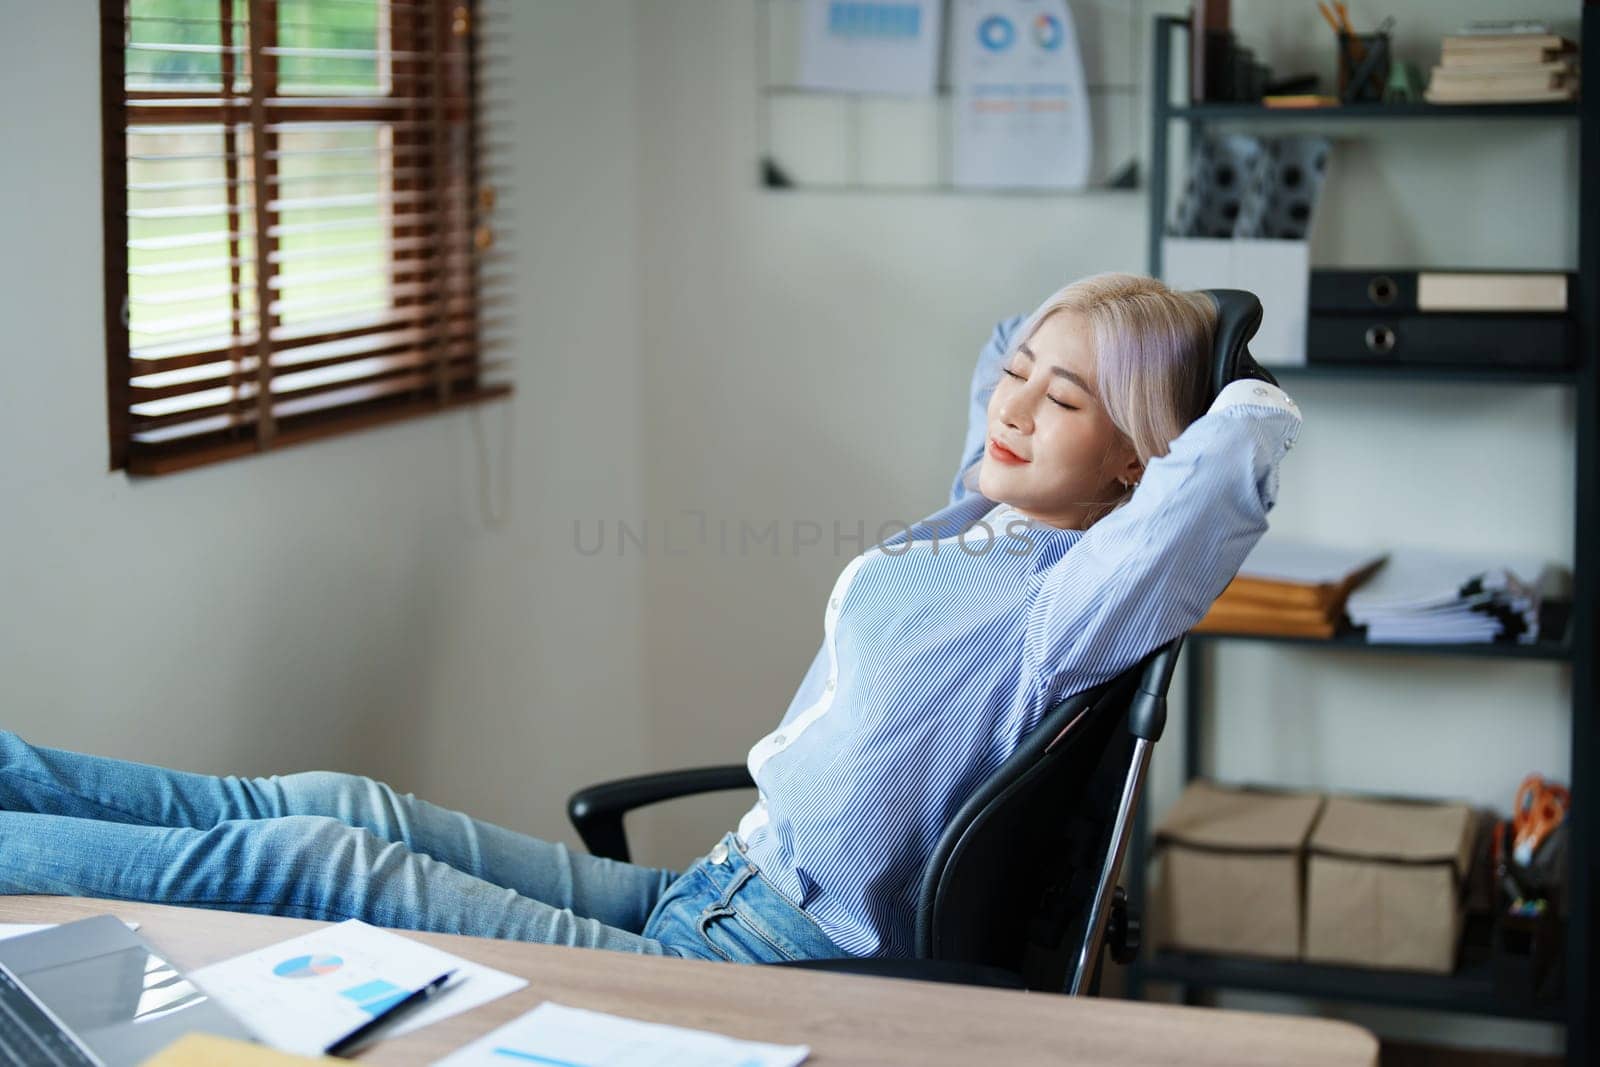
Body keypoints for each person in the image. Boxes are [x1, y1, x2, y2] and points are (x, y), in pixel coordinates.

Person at [0, 273, 1300, 964]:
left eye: (1061, 402)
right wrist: (1069, 357)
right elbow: (1003, 363)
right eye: (1014, 379)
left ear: (1141, 459)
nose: (1010, 409)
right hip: (717, 890)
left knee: (319, 868)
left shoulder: (1066, 609)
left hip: (768, 961)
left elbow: (1217, 488)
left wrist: (1235, 377)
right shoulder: (981, 531)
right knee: (347, 803)